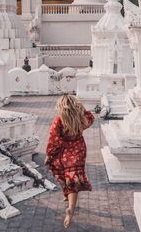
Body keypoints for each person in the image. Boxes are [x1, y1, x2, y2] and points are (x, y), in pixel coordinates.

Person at [45, 94, 94, 228]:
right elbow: (91, 117)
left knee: (62, 173)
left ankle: (68, 199)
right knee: (73, 178)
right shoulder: (82, 118)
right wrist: (81, 108)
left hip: (63, 151)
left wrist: (49, 155)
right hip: (78, 150)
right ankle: (70, 207)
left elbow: (53, 140)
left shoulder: (59, 120)